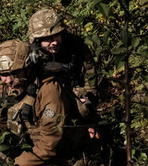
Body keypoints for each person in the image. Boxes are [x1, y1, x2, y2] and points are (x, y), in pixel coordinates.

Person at [27, 8, 99, 139]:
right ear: (37, 40)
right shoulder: (31, 55)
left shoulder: (76, 46)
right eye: (47, 39)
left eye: (56, 36)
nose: (54, 42)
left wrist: (89, 105)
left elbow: (90, 79)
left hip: (74, 92)